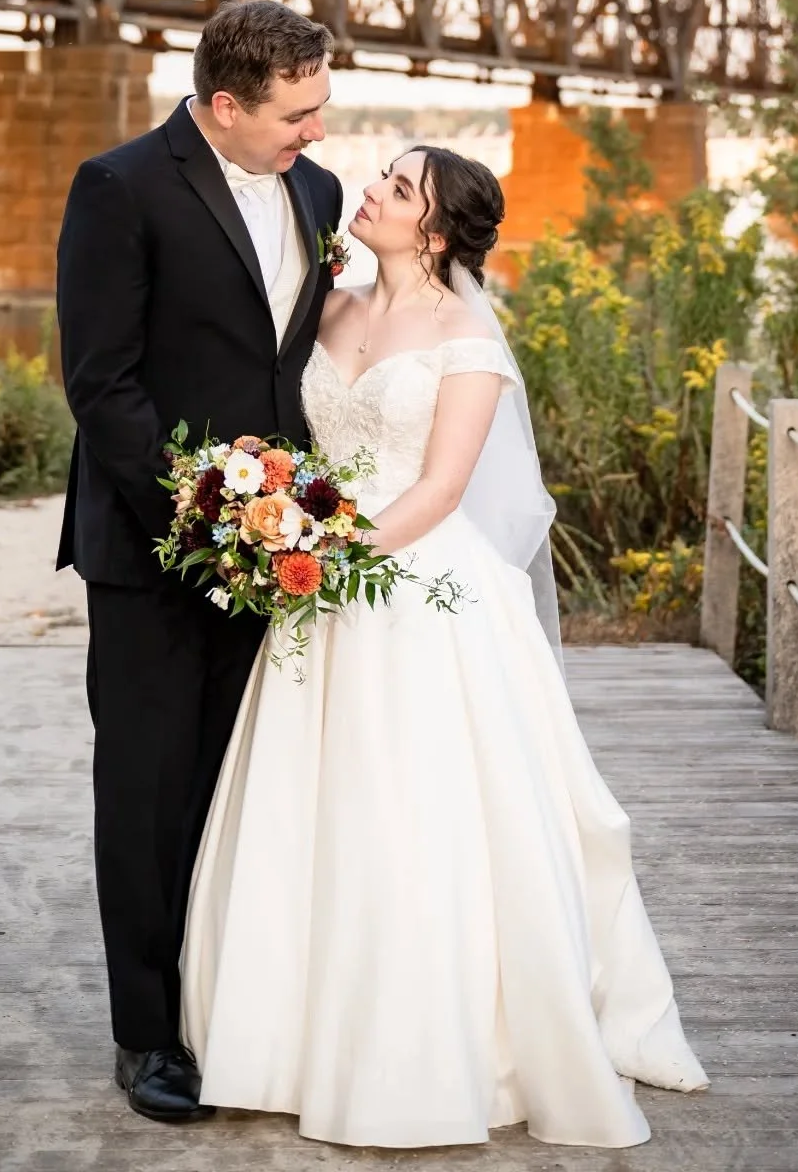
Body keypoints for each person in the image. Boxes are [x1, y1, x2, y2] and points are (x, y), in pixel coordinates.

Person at [180, 146, 708, 1149]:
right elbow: (296, 437)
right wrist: (264, 492)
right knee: (311, 804)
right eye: (381, 174)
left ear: (433, 231)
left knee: (415, 807)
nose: (369, 190)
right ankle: (282, 1040)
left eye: (398, 187)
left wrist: (331, 557)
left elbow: (438, 490)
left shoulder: (469, 340)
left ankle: (429, 1048)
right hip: (315, 580)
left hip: (412, 584)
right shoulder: (328, 311)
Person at [55, 0, 342, 1124]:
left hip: (282, 553)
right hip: (152, 551)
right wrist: (200, 515)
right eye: (296, 113)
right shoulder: (118, 188)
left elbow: (292, 372)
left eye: (322, 108)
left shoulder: (316, 193)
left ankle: (233, 1008)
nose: (315, 134)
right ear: (225, 105)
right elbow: (102, 382)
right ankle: (148, 1037)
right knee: (148, 791)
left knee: (243, 788)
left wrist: (294, 517)